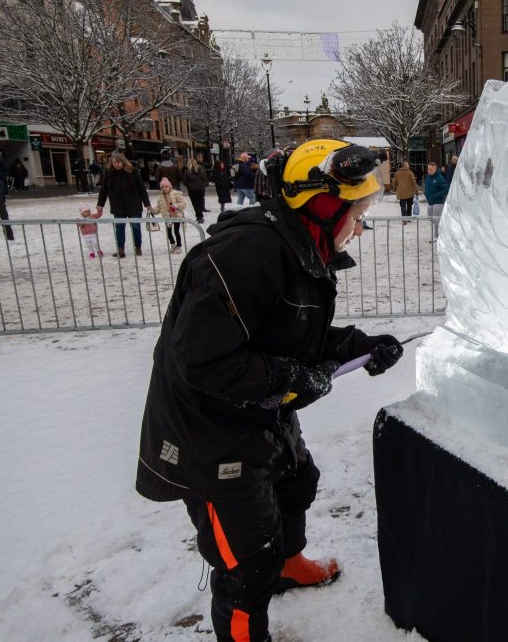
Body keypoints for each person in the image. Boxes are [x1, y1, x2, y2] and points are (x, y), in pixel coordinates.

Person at [135, 138, 403, 642]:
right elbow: (204, 359)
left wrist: (358, 347)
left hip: (255, 411)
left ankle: (288, 564)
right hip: (208, 431)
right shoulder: (247, 254)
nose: (360, 227)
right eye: (357, 214)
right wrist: (292, 380)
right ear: (321, 207)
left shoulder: (301, 248)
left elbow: (289, 333)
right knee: (247, 563)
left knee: (296, 483)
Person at [97, 151, 151, 257]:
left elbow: (141, 188)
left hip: (134, 205)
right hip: (118, 206)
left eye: (118, 162)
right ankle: (120, 249)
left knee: (135, 227)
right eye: (114, 163)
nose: (116, 165)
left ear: (123, 162)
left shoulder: (133, 171)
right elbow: (104, 190)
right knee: (119, 227)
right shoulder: (109, 173)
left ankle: (138, 247)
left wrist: (147, 203)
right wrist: (100, 204)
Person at [151, 177, 187, 254]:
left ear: (170, 187)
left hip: (176, 216)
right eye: (162, 187)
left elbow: (183, 204)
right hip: (167, 217)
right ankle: (173, 244)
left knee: (176, 231)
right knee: (169, 233)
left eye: (166, 186)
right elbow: (159, 208)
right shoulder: (160, 197)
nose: (164, 188)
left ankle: (179, 246)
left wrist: (176, 205)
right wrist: (153, 210)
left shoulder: (176, 194)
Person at [424, 161, 449, 242]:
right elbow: (426, 186)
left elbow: (446, 189)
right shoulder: (427, 177)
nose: (430, 171)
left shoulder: (440, 178)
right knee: (430, 218)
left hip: (438, 203)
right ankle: (441, 232)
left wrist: (436, 196)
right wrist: (426, 193)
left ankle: (437, 236)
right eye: (429, 169)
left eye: (431, 169)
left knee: (436, 220)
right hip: (430, 202)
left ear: (435, 169)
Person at [182, 158, 207, 224]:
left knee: (195, 203)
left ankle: (199, 216)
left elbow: (184, 181)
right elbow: (204, 178)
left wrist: (188, 185)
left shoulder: (187, 171)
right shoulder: (200, 169)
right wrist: (202, 185)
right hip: (200, 188)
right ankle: (199, 215)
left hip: (192, 189)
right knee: (199, 202)